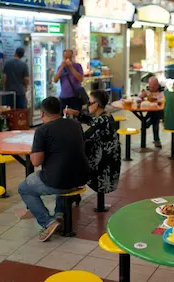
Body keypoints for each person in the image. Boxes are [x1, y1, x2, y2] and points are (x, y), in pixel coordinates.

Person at [18, 97, 89, 242]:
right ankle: (60, 214)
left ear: (43, 114)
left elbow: (36, 162)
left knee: (24, 188)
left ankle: (48, 222)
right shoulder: (75, 125)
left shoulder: (42, 130)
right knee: (60, 169)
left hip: (60, 181)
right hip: (82, 177)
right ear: (61, 110)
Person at [64, 90, 121, 200]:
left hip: (103, 166)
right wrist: (76, 113)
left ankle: (73, 194)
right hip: (111, 161)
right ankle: (75, 193)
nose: (86, 106)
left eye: (89, 103)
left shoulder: (101, 121)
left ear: (96, 104)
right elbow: (92, 122)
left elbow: (83, 137)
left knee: (70, 162)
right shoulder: (106, 116)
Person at [139, 76, 165, 148]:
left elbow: (165, 99)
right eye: (150, 86)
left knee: (155, 118)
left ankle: (147, 124)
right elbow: (139, 96)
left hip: (161, 110)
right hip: (151, 109)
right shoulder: (146, 88)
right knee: (155, 119)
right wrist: (142, 95)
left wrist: (156, 99)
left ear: (157, 85)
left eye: (153, 86)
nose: (151, 88)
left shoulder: (163, 88)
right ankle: (156, 140)